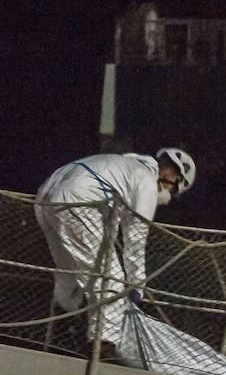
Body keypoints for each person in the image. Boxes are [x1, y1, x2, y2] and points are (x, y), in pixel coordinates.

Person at [35, 149, 196, 359]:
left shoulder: (124, 168)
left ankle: (59, 332)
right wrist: (137, 286)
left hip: (46, 197)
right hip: (79, 200)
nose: (168, 194)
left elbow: (114, 225)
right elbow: (136, 236)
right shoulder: (146, 180)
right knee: (111, 279)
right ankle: (104, 346)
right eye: (172, 190)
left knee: (69, 274)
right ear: (171, 176)